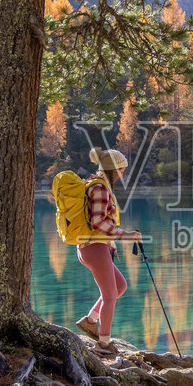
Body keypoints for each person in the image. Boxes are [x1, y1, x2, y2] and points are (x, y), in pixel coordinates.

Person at [75, 147, 141, 351]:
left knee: (119, 286)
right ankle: (104, 343)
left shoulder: (96, 184)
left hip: (93, 247)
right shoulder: (101, 189)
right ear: (112, 170)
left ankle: (90, 321)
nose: (122, 173)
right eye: (121, 169)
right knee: (110, 295)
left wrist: (111, 240)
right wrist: (125, 235)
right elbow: (97, 222)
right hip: (94, 248)